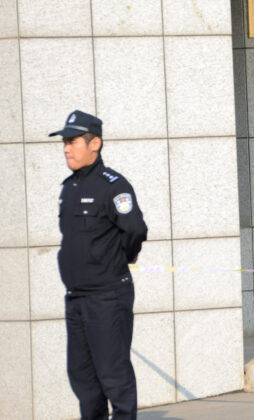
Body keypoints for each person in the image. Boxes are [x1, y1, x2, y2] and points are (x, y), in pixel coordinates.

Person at [52, 110, 148, 420]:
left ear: (96, 144)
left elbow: (135, 229)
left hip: (107, 297)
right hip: (77, 297)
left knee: (113, 375)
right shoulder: (69, 187)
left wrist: (122, 258)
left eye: (74, 141)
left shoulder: (113, 186)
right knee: (82, 377)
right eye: (65, 142)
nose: (67, 148)